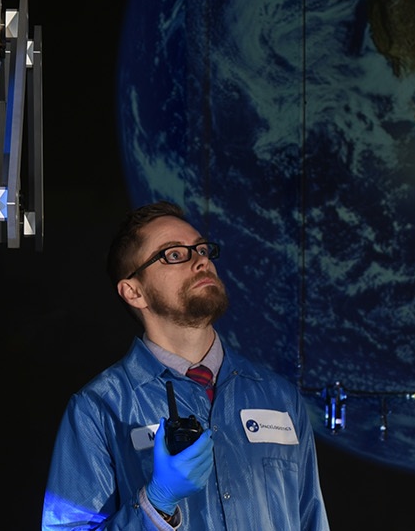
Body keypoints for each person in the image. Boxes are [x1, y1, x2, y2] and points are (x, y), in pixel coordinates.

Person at [42, 201, 330, 530]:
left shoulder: (280, 397)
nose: (201, 260)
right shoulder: (99, 408)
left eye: (202, 249)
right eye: (175, 254)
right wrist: (156, 504)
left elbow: (312, 519)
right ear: (134, 292)